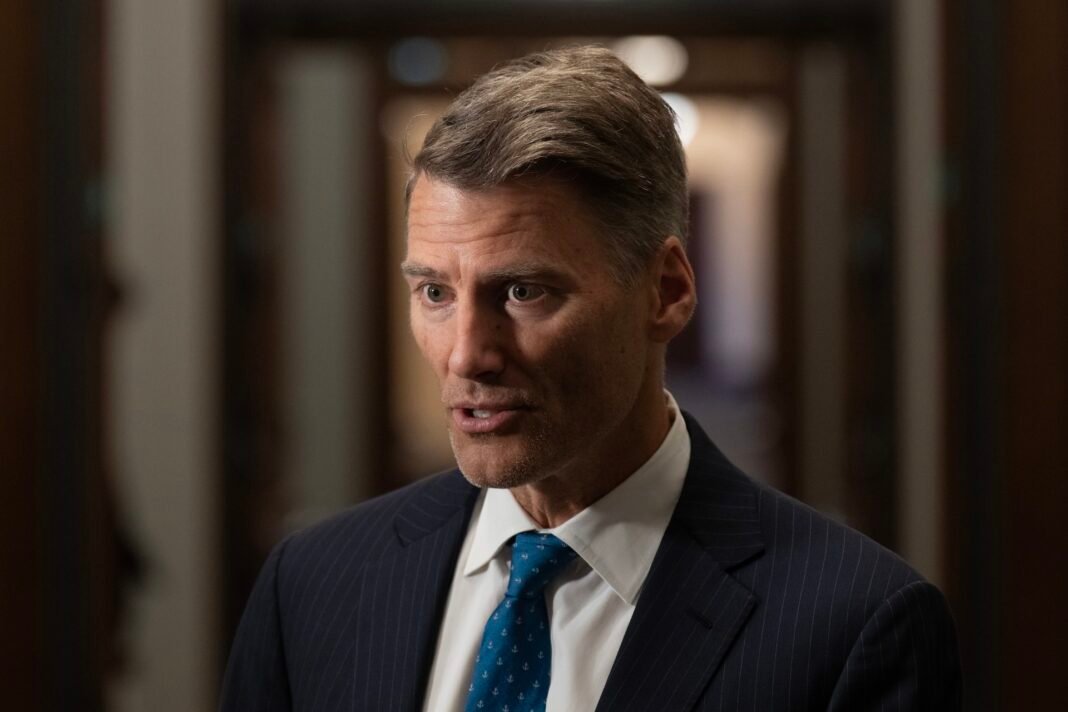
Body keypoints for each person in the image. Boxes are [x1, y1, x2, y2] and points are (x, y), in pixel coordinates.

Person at [220, 46, 961, 711]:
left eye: (524, 292)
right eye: (436, 294)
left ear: (666, 291)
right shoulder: (311, 585)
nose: (466, 355)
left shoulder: (857, 625)